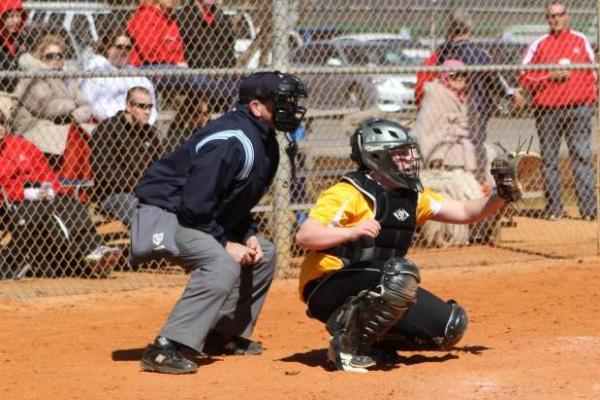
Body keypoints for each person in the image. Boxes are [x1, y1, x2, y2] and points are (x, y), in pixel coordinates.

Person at [295, 118, 514, 373]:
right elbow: (305, 236)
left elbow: (466, 212)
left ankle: (376, 341)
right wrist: (351, 232)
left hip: (377, 283)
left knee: (450, 327)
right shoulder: (349, 192)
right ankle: (348, 346)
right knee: (399, 274)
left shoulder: (412, 196)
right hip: (327, 285)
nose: (410, 160)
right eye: (400, 154)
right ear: (376, 157)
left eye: (409, 153)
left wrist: (502, 193)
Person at [133, 71, 307, 374]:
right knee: (221, 263)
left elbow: (232, 201)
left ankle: (222, 333)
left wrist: (248, 233)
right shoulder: (232, 141)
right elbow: (195, 204)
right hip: (161, 214)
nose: (289, 109)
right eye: (280, 102)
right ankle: (165, 347)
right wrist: (225, 243)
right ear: (255, 106)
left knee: (263, 253)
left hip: (193, 215)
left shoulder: (264, 142)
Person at [0, 111, 122, 279]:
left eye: (1, 123)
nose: (0, 128)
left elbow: (43, 169)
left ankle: (95, 250)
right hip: (14, 202)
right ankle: (87, 257)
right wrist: (27, 193)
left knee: (71, 205)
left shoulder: (22, 145)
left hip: (41, 192)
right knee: (53, 218)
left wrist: (49, 188)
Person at [519, 1, 597, 221]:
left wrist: (590, 98)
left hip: (578, 109)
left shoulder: (580, 41)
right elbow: (523, 75)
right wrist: (548, 77)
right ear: (547, 19)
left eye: (560, 14)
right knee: (550, 160)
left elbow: (593, 73)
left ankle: (589, 210)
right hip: (548, 111)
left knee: (581, 157)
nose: (556, 19)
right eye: (552, 16)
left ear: (567, 16)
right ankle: (554, 208)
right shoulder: (539, 44)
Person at [428, 8, 525, 182]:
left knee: (450, 150)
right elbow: (497, 82)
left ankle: (456, 184)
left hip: (446, 111)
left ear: (449, 28)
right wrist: (511, 94)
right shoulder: (478, 54)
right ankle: (474, 186)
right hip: (475, 112)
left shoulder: (442, 53)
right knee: (474, 151)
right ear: (470, 27)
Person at [12, 33, 95, 187]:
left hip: (65, 122)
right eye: (50, 56)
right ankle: (67, 185)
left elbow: (86, 104)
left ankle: (83, 183)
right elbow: (47, 106)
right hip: (35, 126)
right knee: (74, 134)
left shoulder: (67, 77)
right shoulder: (33, 76)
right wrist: (73, 105)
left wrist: (73, 114)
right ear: (40, 58)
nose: (56, 59)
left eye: (59, 55)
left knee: (89, 128)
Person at [89, 87, 163, 227]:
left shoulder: (150, 133)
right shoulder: (107, 129)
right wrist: (140, 187)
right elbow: (104, 172)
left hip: (147, 191)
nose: (147, 112)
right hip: (116, 194)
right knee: (143, 216)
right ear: (128, 106)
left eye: (150, 107)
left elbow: (160, 166)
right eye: (142, 106)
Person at [80, 29, 158, 125]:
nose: (124, 51)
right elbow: (96, 108)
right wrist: (125, 122)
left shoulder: (135, 73)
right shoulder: (95, 69)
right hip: (108, 126)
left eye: (128, 48)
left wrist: (146, 124)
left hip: (137, 126)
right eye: (119, 47)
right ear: (108, 48)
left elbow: (151, 103)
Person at [415, 59, 476, 174]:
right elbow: (428, 129)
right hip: (440, 143)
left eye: (463, 74)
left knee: (488, 152)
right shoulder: (437, 95)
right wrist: (455, 130)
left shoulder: (465, 97)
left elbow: (471, 126)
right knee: (458, 157)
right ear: (445, 76)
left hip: (461, 141)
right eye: (454, 75)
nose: (459, 78)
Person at [177, 0, 236, 69]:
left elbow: (229, 50)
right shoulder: (183, 17)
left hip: (224, 70)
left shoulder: (222, 18)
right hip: (197, 72)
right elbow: (186, 52)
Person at [0, 0, 28, 92]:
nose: (16, 20)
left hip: (23, 88)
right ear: (1, 17)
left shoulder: (23, 37)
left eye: (18, 15)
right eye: (11, 16)